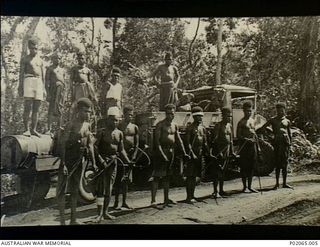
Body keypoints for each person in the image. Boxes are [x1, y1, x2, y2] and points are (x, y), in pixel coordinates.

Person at [56, 98, 96, 225]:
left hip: (79, 161)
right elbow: (62, 144)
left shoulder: (87, 125)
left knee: (74, 191)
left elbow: (90, 145)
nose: (88, 114)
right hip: (67, 161)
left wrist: (94, 163)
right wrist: (63, 164)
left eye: (89, 112)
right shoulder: (71, 125)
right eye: (85, 111)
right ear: (78, 111)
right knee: (62, 191)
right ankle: (62, 222)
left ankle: (73, 220)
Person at [94, 106, 131, 222]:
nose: (115, 122)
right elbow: (94, 147)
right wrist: (101, 160)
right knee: (100, 189)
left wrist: (128, 161)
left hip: (113, 162)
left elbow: (121, 150)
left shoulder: (119, 133)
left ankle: (105, 212)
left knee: (109, 188)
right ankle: (99, 214)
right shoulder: (102, 132)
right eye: (113, 120)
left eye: (117, 120)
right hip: (103, 162)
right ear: (108, 119)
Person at [150, 104, 190, 208]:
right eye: (168, 113)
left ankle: (166, 199)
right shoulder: (160, 125)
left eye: (172, 113)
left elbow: (179, 140)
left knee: (168, 176)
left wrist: (184, 152)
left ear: (174, 113)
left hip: (171, 152)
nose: (170, 115)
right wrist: (162, 154)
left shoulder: (175, 125)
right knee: (157, 176)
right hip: (161, 151)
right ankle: (153, 200)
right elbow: (157, 142)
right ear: (165, 114)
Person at [257, 102, 292, 189]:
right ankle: (276, 184)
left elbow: (289, 133)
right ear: (276, 111)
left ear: (284, 110)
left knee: (285, 164)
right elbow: (262, 128)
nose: (280, 112)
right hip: (277, 144)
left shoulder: (287, 121)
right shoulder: (273, 120)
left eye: (282, 110)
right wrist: (271, 137)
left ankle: (284, 183)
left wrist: (290, 144)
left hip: (285, 144)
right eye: (278, 110)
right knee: (277, 164)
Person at [18, 37, 46, 137]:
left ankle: (33, 129)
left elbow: (43, 76)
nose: (35, 50)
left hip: (38, 82)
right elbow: (21, 74)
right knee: (27, 106)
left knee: (36, 108)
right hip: (28, 81)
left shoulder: (41, 61)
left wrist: (44, 88)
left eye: (36, 48)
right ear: (29, 48)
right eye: (33, 48)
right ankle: (26, 129)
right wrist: (20, 87)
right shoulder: (25, 59)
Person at [113, 105, 139, 209]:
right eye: (129, 115)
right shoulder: (119, 125)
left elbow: (137, 144)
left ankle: (124, 202)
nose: (130, 117)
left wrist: (134, 156)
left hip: (131, 155)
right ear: (124, 115)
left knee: (126, 180)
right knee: (118, 179)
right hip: (121, 155)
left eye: (132, 115)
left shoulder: (135, 127)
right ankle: (116, 202)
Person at [209, 107, 235, 198]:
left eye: (230, 116)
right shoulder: (218, 126)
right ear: (223, 116)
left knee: (223, 171)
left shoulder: (230, 126)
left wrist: (232, 151)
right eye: (227, 116)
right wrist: (218, 151)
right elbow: (214, 140)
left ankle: (221, 190)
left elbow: (231, 140)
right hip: (219, 151)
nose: (229, 118)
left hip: (227, 151)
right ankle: (215, 191)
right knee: (217, 171)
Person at [184, 106, 208, 203]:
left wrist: (208, 152)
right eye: (198, 116)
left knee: (196, 176)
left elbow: (205, 142)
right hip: (192, 155)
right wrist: (192, 154)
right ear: (194, 117)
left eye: (201, 116)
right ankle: (189, 197)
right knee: (190, 176)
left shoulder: (203, 128)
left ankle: (193, 195)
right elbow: (187, 143)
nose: (200, 118)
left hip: (200, 154)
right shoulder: (190, 128)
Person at [236, 101, 259, 193]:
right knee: (244, 167)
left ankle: (250, 186)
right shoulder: (241, 122)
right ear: (243, 111)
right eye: (247, 111)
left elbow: (255, 134)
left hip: (252, 147)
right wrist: (246, 139)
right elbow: (238, 136)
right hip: (244, 147)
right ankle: (244, 187)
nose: (248, 113)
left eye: (250, 111)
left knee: (251, 166)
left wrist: (258, 147)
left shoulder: (253, 121)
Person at [45, 53, 65, 132]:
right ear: (52, 59)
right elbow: (46, 82)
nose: (58, 60)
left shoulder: (62, 70)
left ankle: (59, 127)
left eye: (59, 58)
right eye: (56, 58)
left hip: (61, 90)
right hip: (53, 89)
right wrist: (48, 93)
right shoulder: (50, 69)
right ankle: (49, 128)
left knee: (60, 107)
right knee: (51, 108)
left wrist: (64, 92)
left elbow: (64, 81)